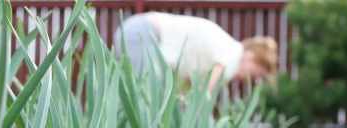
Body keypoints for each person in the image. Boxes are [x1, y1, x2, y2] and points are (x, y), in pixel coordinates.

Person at [113, 12, 278, 92]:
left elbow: (186, 86)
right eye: (257, 73)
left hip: (137, 29)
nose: (252, 78)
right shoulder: (234, 54)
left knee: (145, 99)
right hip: (144, 35)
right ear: (251, 57)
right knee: (144, 100)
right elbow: (203, 93)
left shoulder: (225, 45)